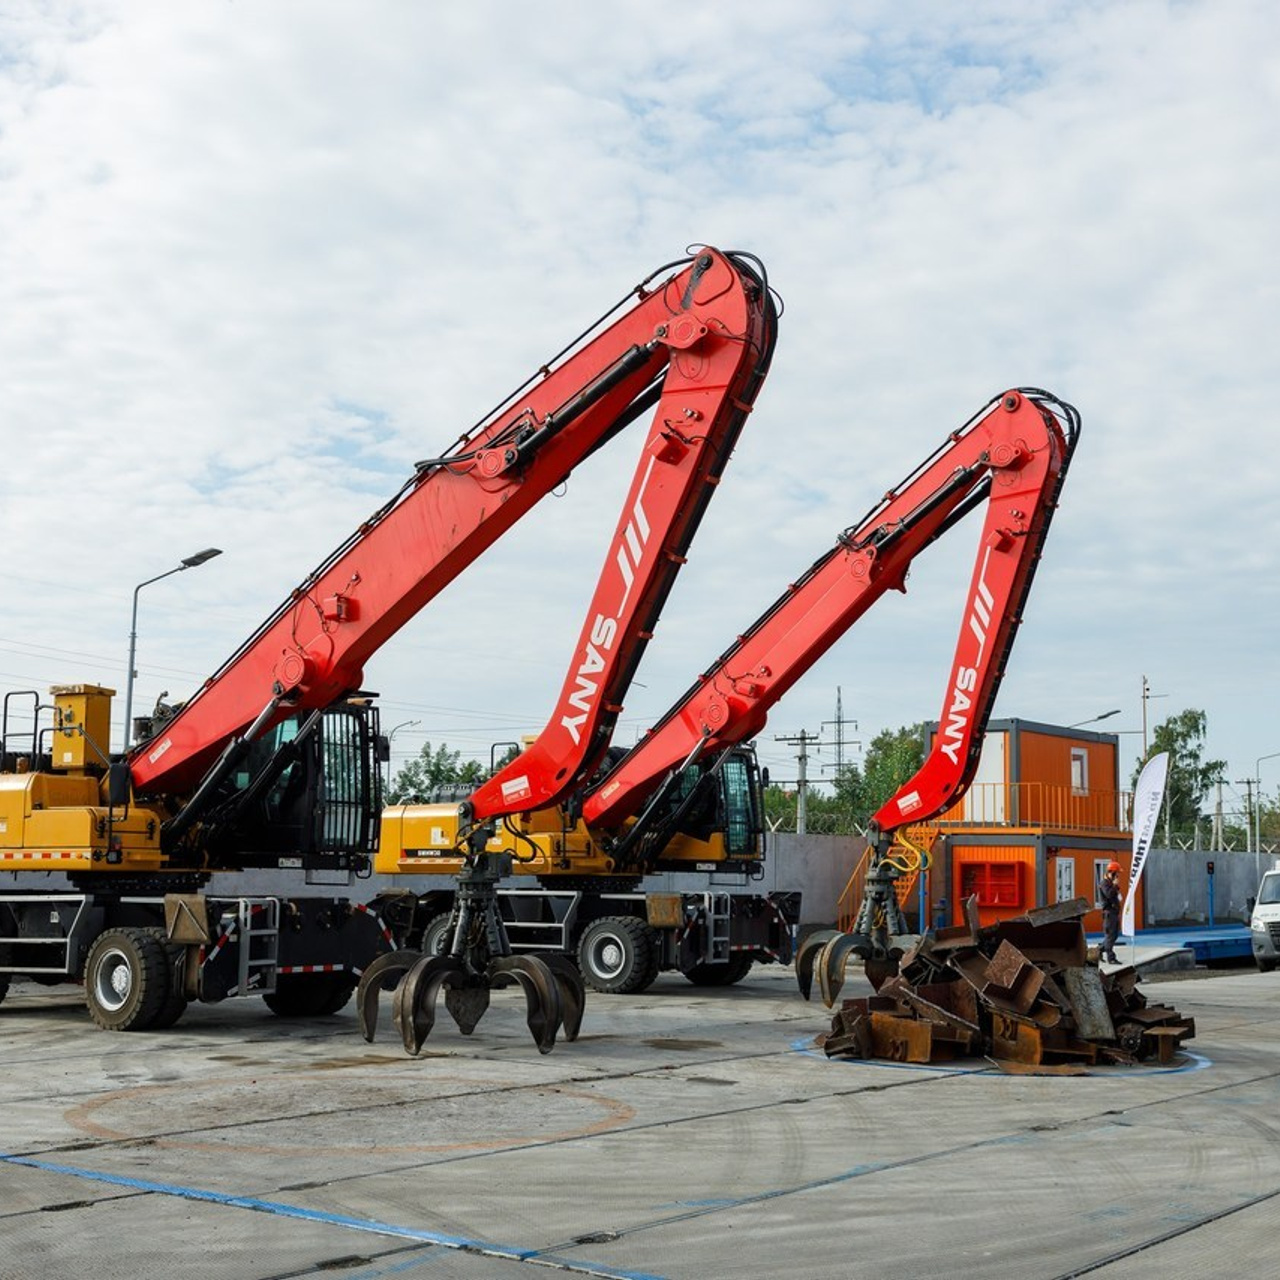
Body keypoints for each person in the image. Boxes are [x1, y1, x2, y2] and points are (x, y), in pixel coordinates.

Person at [1098, 860, 1122, 964]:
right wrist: (1115, 886)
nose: (1118, 876)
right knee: (1110, 935)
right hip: (1109, 913)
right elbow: (1109, 894)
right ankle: (1111, 958)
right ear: (1111, 872)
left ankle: (1098, 950)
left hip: (1114, 912)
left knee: (1114, 935)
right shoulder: (1104, 883)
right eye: (1116, 873)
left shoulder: (1110, 883)